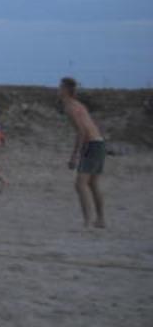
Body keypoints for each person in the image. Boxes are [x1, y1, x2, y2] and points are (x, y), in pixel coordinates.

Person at [59, 77, 106, 228]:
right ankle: (100, 220)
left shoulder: (70, 107)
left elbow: (81, 132)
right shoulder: (78, 104)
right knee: (92, 183)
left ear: (66, 90)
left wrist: (74, 155)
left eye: (60, 87)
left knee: (80, 184)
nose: (58, 90)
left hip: (92, 144)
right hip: (98, 142)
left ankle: (87, 221)